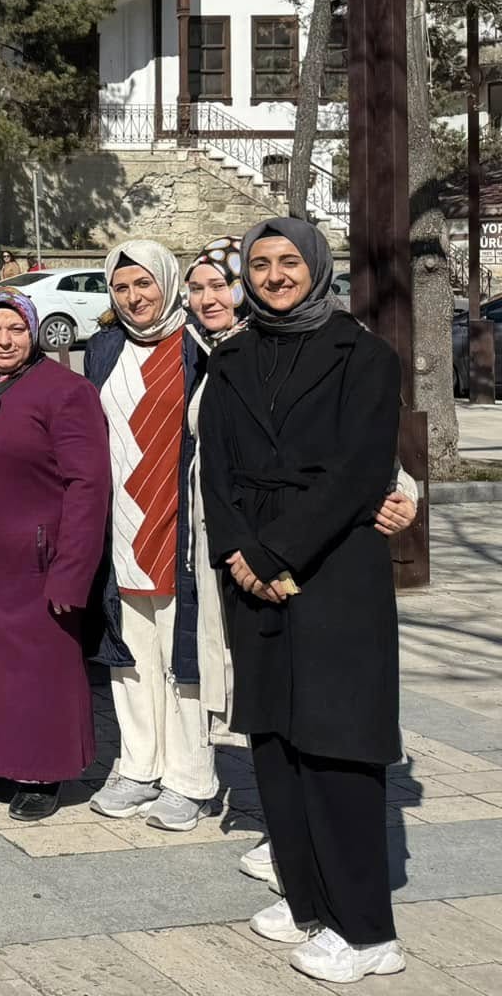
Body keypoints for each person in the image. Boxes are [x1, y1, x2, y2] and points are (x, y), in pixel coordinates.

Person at [201, 218, 406, 983]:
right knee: (274, 740)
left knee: (337, 744)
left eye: (290, 261)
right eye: (261, 263)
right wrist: (239, 553)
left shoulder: (365, 355)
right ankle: (306, 895)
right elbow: (212, 470)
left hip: (333, 569)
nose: (275, 274)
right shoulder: (232, 357)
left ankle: (367, 929)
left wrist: (274, 551)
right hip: (251, 565)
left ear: (317, 267)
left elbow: (360, 474)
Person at [0, 289, 110, 820]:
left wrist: (72, 570)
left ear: (34, 331)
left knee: (41, 670)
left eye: (16, 329)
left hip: (37, 558)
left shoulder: (66, 390)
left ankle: (44, 770)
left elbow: (88, 484)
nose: (4, 340)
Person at [83, 239, 214, 832]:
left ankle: (189, 779)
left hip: (180, 519)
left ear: (168, 281)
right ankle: (138, 766)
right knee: (130, 651)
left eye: (145, 284)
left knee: (182, 654)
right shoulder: (105, 348)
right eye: (122, 287)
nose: (135, 297)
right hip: (122, 522)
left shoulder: (199, 345)